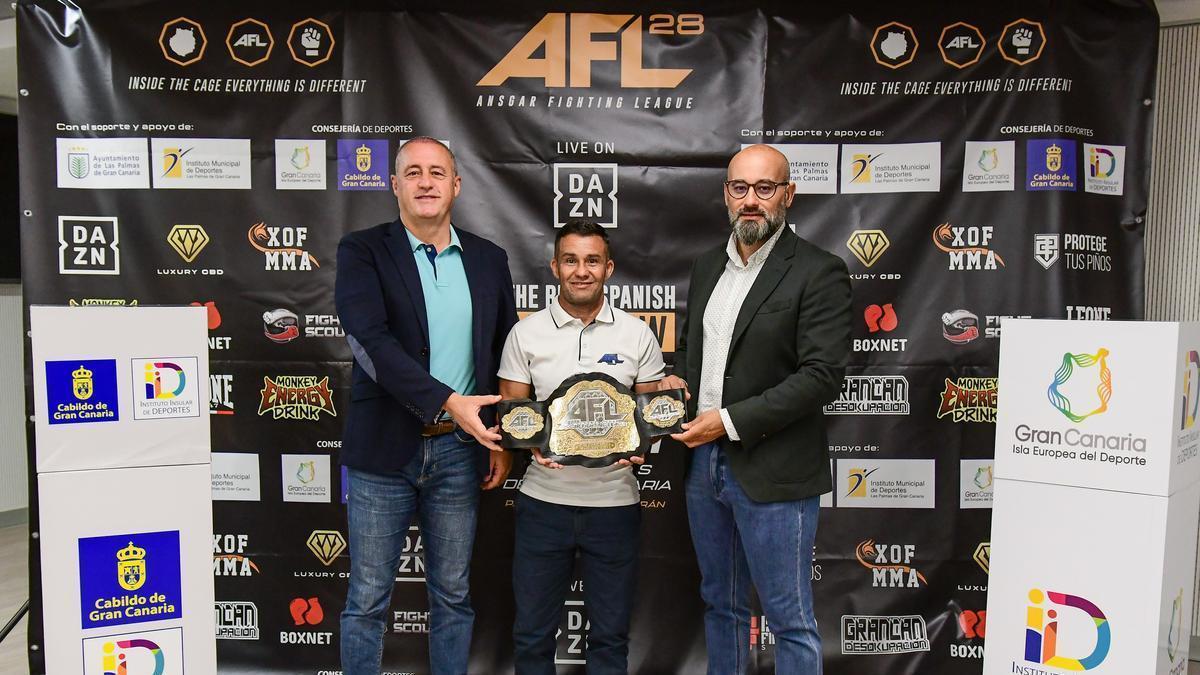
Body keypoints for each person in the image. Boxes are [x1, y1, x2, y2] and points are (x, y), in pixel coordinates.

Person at [662, 144, 852, 674]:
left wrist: (726, 419)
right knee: (720, 606)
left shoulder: (819, 271)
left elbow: (822, 377)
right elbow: (697, 360)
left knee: (789, 619)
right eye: (739, 188)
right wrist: (675, 386)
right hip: (703, 467)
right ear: (726, 194)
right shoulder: (705, 268)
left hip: (775, 470)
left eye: (764, 188)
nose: (751, 200)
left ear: (788, 195)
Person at [335, 136, 518, 675]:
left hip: (462, 452)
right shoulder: (362, 250)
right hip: (383, 453)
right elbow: (370, 340)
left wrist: (501, 438)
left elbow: (505, 351)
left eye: (437, 172)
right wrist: (447, 401)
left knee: (453, 595)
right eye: (412, 172)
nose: (425, 182)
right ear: (394, 185)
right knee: (367, 599)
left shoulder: (489, 259)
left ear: (456, 186)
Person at [497, 219, 665, 674]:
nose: (581, 270)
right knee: (532, 635)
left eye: (592, 260)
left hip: (615, 505)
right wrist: (524, 439)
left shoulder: (637, 334)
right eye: (570, 260)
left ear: (609, 268)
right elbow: (512, 414)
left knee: (609, 639)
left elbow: (649, 421)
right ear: (554, 266)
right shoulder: (525, 335)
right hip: (542, 505)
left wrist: (642, 448)